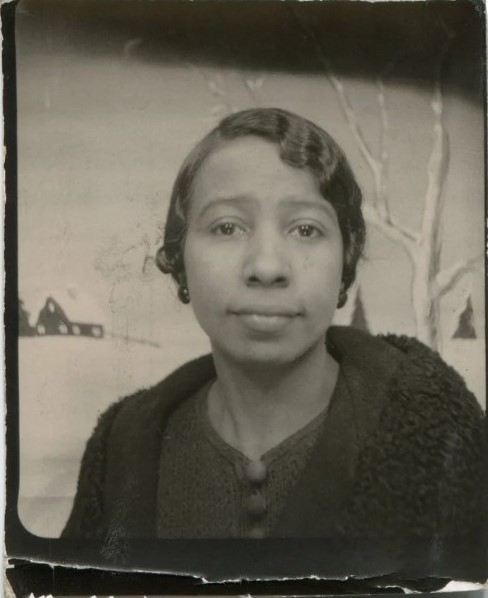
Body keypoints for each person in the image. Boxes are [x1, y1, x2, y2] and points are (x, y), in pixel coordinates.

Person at [62, 108, 485, 564]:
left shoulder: (444, 442)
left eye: (305, 229)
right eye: (227, 227)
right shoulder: (121, 452)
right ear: (180, 254)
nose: (266, 267)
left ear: (346, 256)